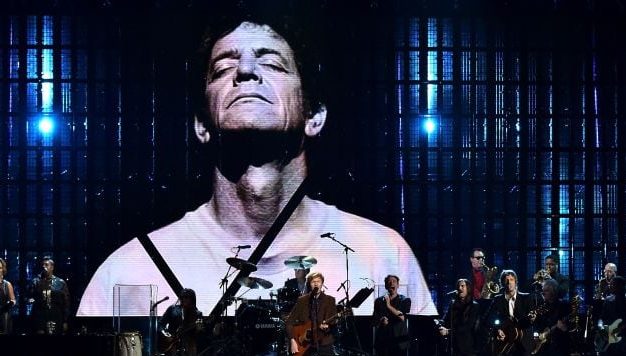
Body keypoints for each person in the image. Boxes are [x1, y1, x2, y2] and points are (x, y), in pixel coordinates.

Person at [77, 17, 436, 319]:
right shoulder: (128, 267)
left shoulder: (382, 251)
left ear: (314, 116)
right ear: (201, 125)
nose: (246, 71)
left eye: (272, 63)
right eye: (224, 67)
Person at [26, 257, 70, 335]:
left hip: (56, 316)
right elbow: (28, 296)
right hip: (40, 316)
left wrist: (65, 321)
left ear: (52, 267)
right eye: (43, 265)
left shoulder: (60, 283)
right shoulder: (36, 282)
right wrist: (30, 300)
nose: (44, 266)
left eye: (46, 265)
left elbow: (66, 303)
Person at [159, 288, 203, 356]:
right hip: (172, 346)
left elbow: (198, 335)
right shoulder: (172, 309)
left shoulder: (197, 314)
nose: (184, 299)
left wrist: (198, 328)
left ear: (192, 299)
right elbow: (161, 324)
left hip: (188, 348)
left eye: (186, 297)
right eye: (182, 297)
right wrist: (164, 334)